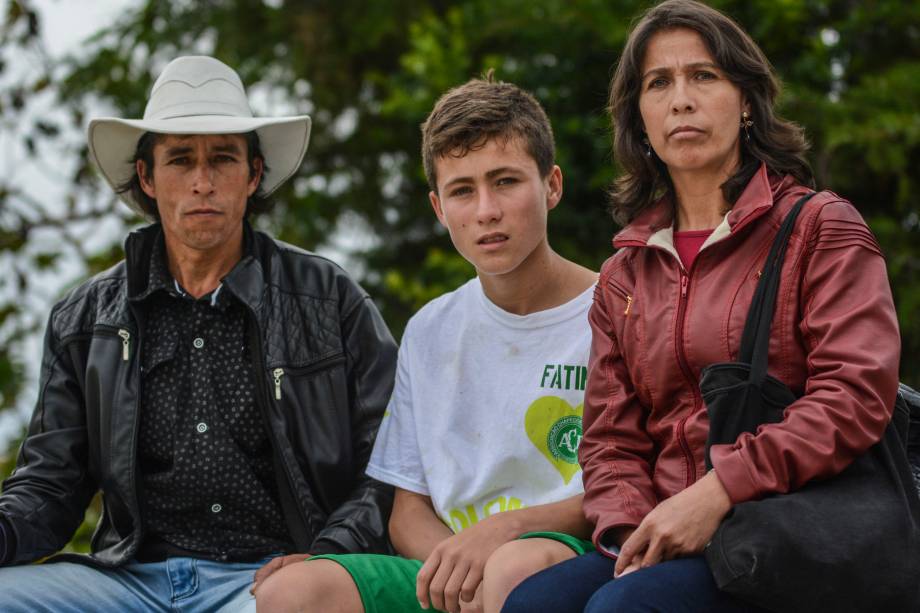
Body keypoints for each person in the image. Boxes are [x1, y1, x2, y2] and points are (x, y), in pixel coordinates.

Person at [502, 1, 901, 611]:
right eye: (658, 83)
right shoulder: (624, 275)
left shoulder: (820, 228)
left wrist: (717, 492)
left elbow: (853, 396)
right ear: (640, 117)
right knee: (535, 602)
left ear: (746, 101)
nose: (681, 99)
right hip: (663, 534)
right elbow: (609, 442)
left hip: (785, 529)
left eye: (704, 76)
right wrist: (632, 534)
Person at [0, 55, 397, 612]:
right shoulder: (84, 318)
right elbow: (49, 485)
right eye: (180, 160)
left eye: (222, 159)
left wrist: (332, 555)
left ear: (253, 174)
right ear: (147, 178)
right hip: (127, 582)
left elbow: (392, 462)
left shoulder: (329, 300)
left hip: (272, 581)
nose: (202, 182)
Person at [252, 75, 599, 613]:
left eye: (505, 181)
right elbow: (406, 510)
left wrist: (505, 533)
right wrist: (460, 572)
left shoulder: (612, 312)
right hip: (450, 570)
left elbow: (628, 487)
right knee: (290, 592)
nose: (486, 210)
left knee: (514, 567)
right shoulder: (430, 328)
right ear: (439, 209)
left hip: (559, 557)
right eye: (462, 190)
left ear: (552, 185)